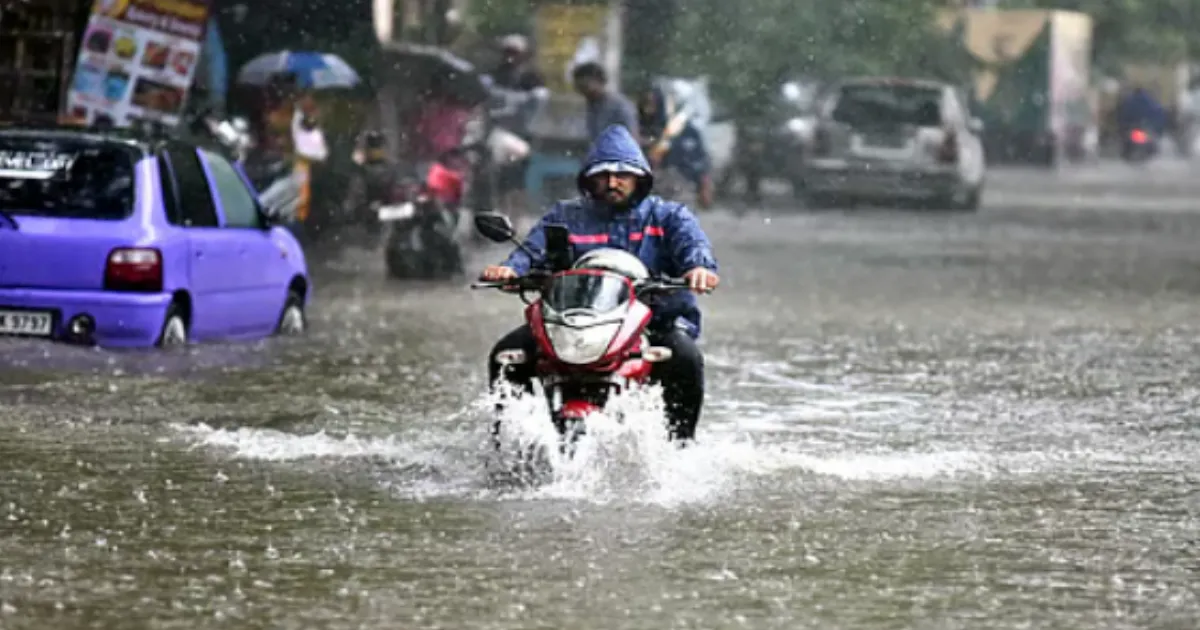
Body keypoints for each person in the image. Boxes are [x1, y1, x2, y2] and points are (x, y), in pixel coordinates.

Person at [480, 124, 720, 443]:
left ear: (640, 178)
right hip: (572, 322)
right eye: (603, 175)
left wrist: (699, 268)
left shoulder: (669, 216)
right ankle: (509, 445)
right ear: (588, 180)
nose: (612, 182)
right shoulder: (564, 217)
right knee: (505, 355)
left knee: (686, 358)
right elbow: (531, 252)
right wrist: (510, 270)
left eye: (622, 175)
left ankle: (681, 445)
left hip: (655, 322)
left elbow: (694, 247)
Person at [637, 85, 715, 208]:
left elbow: (701, 163)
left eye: (653, 104)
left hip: (680, 187)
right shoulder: (636, 129)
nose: (649, 109)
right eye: (646, 103)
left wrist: (705, 186)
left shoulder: (685, 130)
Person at [572, 62, 639, 142]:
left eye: (585, 87)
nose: (582, 92)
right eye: (579, 88)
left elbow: (632, 138)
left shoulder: (619, 106)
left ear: (600, 82)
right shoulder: (593, 105)